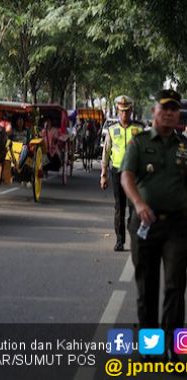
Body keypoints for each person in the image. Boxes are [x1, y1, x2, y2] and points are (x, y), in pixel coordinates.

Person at [120, 89, 187, 362]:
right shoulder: (138, 143)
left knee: (175, 286)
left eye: (174, 109)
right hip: (145, 223)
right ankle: (151, 347)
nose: (170, 113)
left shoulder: (184, 146)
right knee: (147, 286)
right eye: (165, 108)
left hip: (178, 226)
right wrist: (138, 204)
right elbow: (126, 177)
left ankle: (174, 346)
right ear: (154, 112)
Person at [100, 95, 144, 251]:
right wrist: (103, 174)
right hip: (117, 172)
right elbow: (106, 153)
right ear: (118, 111)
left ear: (131, 110)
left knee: (134, 208)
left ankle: (135, 240)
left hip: (134, 174)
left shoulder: (139, 129)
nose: (124, 114)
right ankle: (119, 241)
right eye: (121, 111)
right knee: (120, 207)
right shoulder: (112, 130)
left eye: (127, 111)